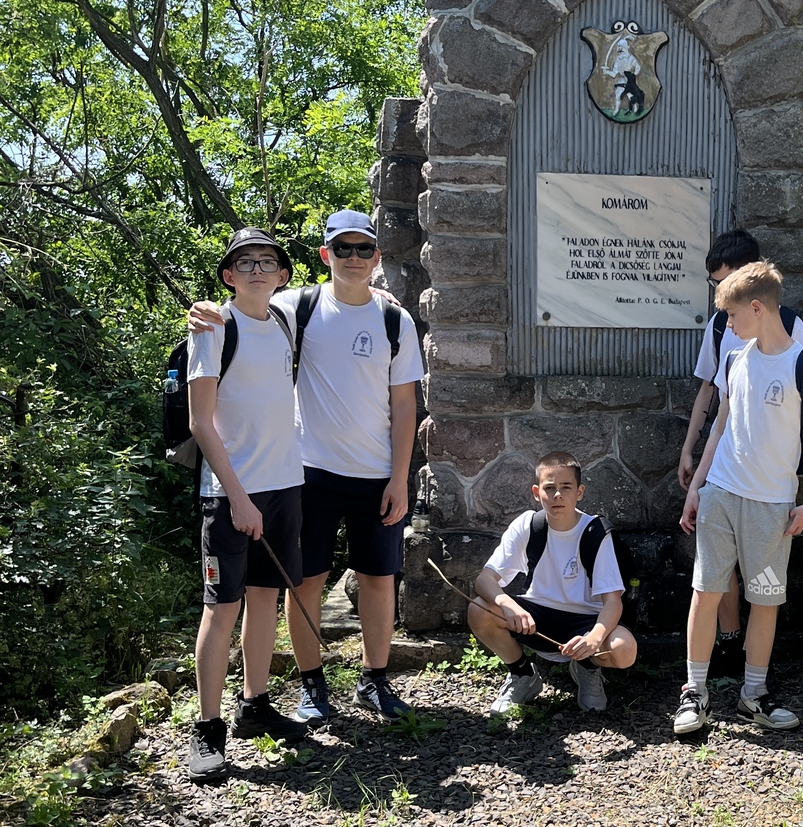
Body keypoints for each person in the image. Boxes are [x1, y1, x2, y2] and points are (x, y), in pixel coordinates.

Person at [189, 209, 425, 720]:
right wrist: (202, 308)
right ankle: (311, 685)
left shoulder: (396, 320)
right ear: (325, 254)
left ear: (377, 257)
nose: (354, 257)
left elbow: (405, 404)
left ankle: (375, 679)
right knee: (306, 582)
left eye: (364, 249)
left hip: (377, 473)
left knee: (378, 579)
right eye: (343, 248)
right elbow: (244, 305)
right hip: (307, 473)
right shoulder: (297, 306)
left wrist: (400, 478)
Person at [675, 261, 803, 735]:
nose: (727, 324)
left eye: (731, 314)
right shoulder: (734, 360)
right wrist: (698, 489)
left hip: (772, 505)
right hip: (721, 496)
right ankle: (694, 692)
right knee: (705, 593)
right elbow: (719, 429)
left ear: (758, 308)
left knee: (765, 601)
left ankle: (755, 694)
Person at [187, 227, 309, 780]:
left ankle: (254, 706)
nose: (257, 269)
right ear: (228, 276)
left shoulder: (283, 320)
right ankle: (207, 729)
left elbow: (340, 291)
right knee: (221, 608)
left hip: (284, 485)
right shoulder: (214, 326)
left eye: (267, 261)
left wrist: (379, 292)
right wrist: (237, 496)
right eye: (245, 262)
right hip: (230, 492)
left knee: (265, 599)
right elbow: (200, 422)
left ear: (282, 275)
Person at [677, 230, 803, 669]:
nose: (721, 296)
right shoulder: (720, 326)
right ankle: (729, 641)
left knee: (762, 573)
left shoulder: (790, 326)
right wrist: (689, 449)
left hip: (768, 476)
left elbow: (800, 402)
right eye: (716, 284)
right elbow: (709, 390)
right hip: (723, 462)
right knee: (716, 568)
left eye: (726, 282)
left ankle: (757, 664)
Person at [468, 453, 638, 715]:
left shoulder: (596, 532)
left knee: (624, 650)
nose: (557, 495)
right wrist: (507, 603)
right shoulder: (528, 525)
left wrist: (594, 639)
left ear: (580, 492)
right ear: (537, 493)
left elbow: (612, 602)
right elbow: (484, 580)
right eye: (549, 488)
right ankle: (523, 674)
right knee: (479, 609)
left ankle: (587, 667)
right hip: (538, 618)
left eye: (566, 487)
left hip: (586, 621)